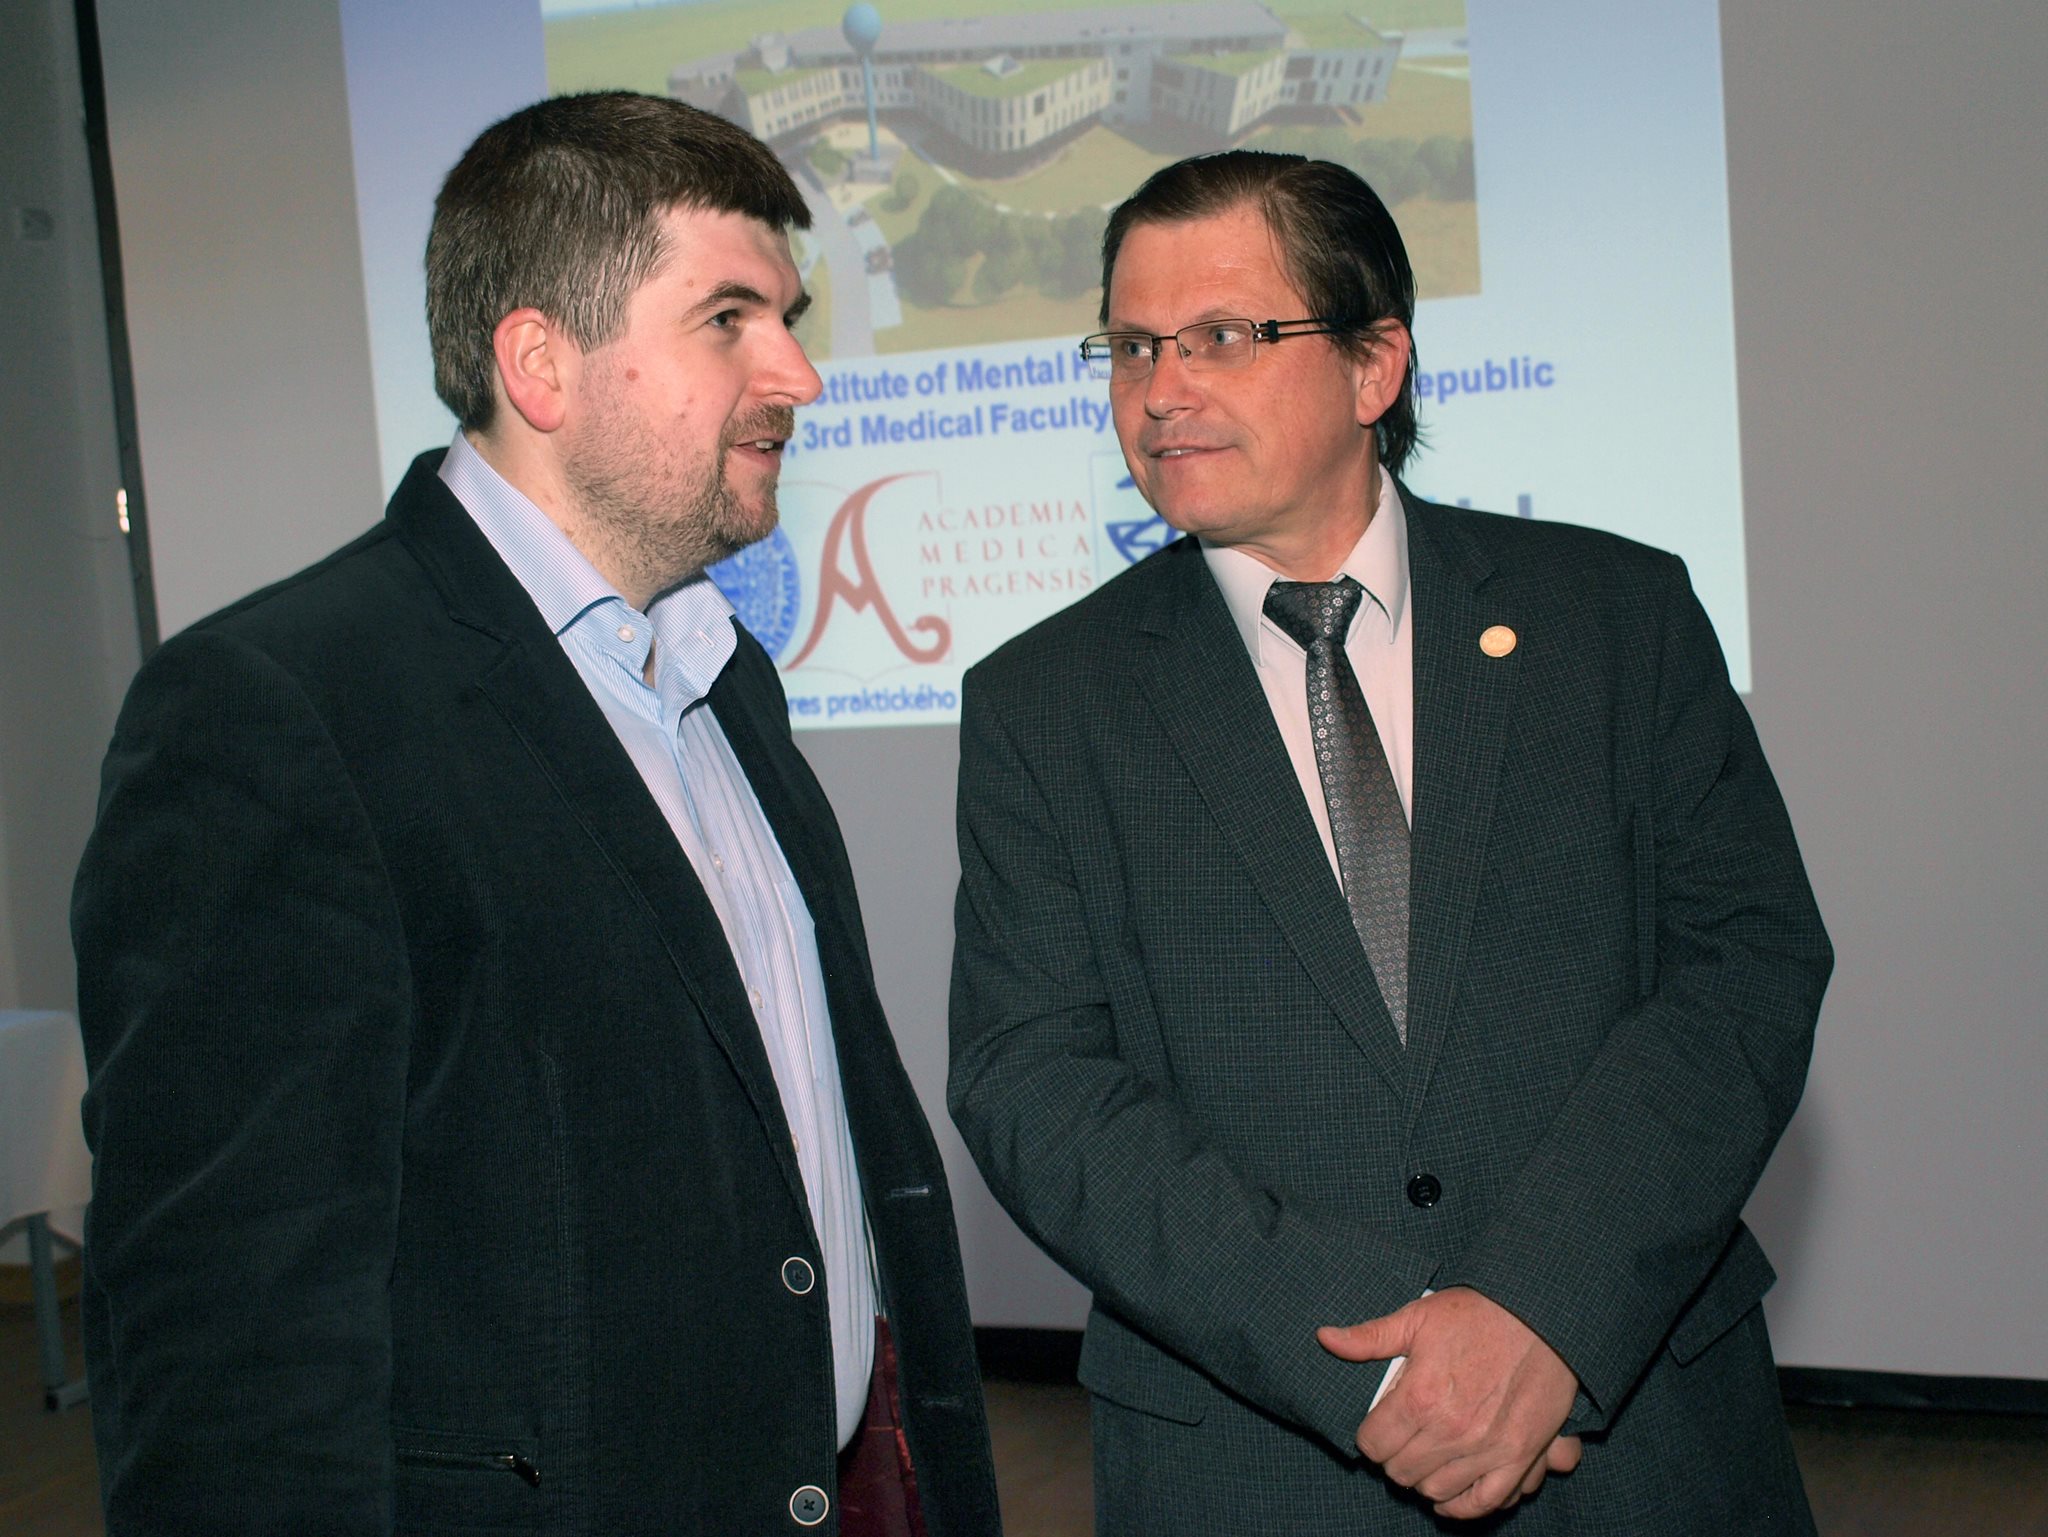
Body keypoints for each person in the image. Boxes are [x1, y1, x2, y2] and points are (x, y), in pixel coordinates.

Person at [73, 92, 998, 1536]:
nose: (800, 375)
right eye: (730, 319)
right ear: (540, 363)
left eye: (791, 317)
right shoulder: (276, 710)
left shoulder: (724, 674)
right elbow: (229, 1357)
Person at [949, 150, 1831, 1534]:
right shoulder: (1043, 702)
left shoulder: (1618, 617)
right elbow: (1035, 1084)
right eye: (1130, 345)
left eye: (1222, 335)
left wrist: (1544, 1307)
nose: (1159, 389)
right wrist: (1375, 1365)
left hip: (1634, 1434)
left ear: (1375, 365)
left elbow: (1745, 972)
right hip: (1258, 1462)